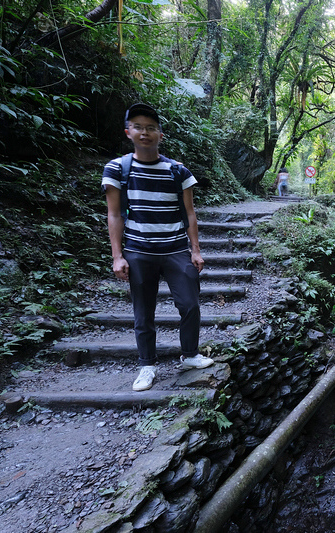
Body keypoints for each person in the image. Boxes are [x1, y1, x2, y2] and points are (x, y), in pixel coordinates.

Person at [102, 103, 214, 392]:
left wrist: (196, 250)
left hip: (176, 248)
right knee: (143, 312)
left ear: (160, 135)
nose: (145, 132)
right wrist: (117, 256)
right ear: (128, 132)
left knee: (190, 304)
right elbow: (114, 214)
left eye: (151, 128)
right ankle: (147, 365)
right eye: (138, 127)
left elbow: (189, 213)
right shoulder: (118, 169)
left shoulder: (178, 171)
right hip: (139, 250)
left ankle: (190, 354)